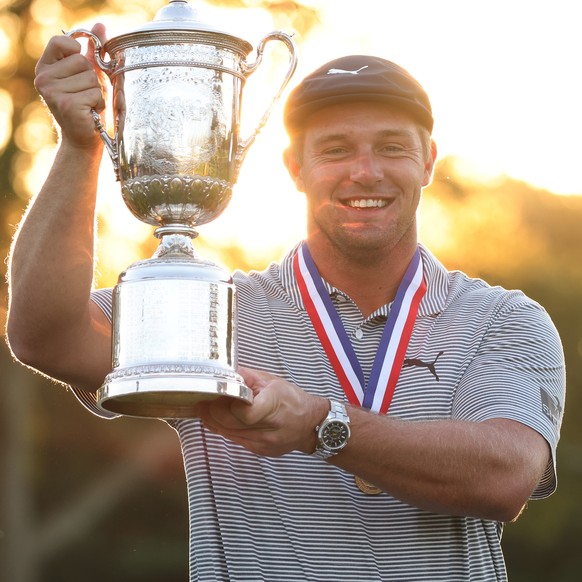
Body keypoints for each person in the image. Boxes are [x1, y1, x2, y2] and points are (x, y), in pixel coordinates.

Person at [7, 22, 565, 582]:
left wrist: (322, 424)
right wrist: (81, 146)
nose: (364, 171)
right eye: (335, 150)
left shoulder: (503, 318)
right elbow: (47, 335)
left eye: (391, 147)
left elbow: (504, 477)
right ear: (295, 168)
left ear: (428, 161)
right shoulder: (218, 310)